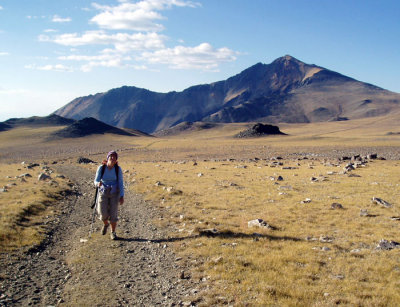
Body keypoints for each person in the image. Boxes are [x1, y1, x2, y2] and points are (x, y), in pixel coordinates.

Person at [94, 150, 124, 240]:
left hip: (114, 193)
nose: (112, 158)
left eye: (114, 157)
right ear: (107, 158)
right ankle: (106, 224)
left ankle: (113, 232)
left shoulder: (118, 169)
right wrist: (97, 183)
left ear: (116, 160)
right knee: (102, 213)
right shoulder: (101, 168)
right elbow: (96, 180)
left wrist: (122, 196)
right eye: (111, 156)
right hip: (103, 192)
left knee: (113, 214)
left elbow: (120, 182)